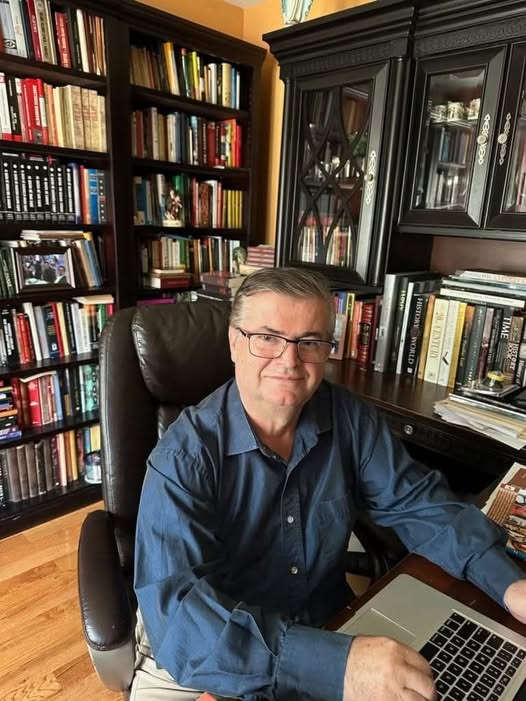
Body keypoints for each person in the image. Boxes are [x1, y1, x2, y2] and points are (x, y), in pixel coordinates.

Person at [133, 266, 526, 701]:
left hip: (325, 628)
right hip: (210, 659)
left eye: (310, 342)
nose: (289, 361)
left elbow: (417, 502)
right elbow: (178, 621)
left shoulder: (349, 419)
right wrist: (335, 664)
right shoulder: (182, 457)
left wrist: (510, 585)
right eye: (267, 337)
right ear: (234, 342)